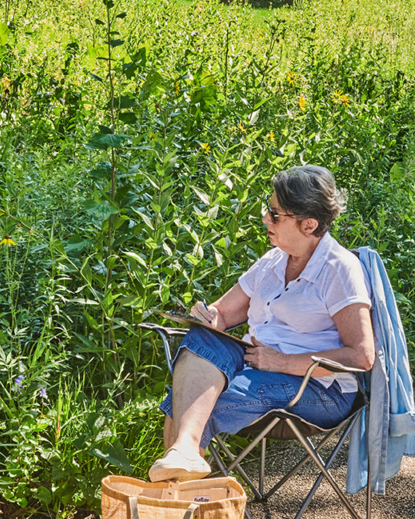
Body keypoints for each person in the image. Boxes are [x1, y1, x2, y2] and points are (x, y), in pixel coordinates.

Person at [149, 165, 375, 483]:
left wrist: (282, 362)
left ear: (309, 224)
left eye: (275, 214)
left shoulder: (339, 270)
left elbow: (361, 356)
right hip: (257, 366)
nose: (266, 219)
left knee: (191, 405)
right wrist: (209, 317)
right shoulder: (272, 262)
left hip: (319, 389)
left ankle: (181, 506)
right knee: (203, 339)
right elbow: (223, 314)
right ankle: (185, 457)